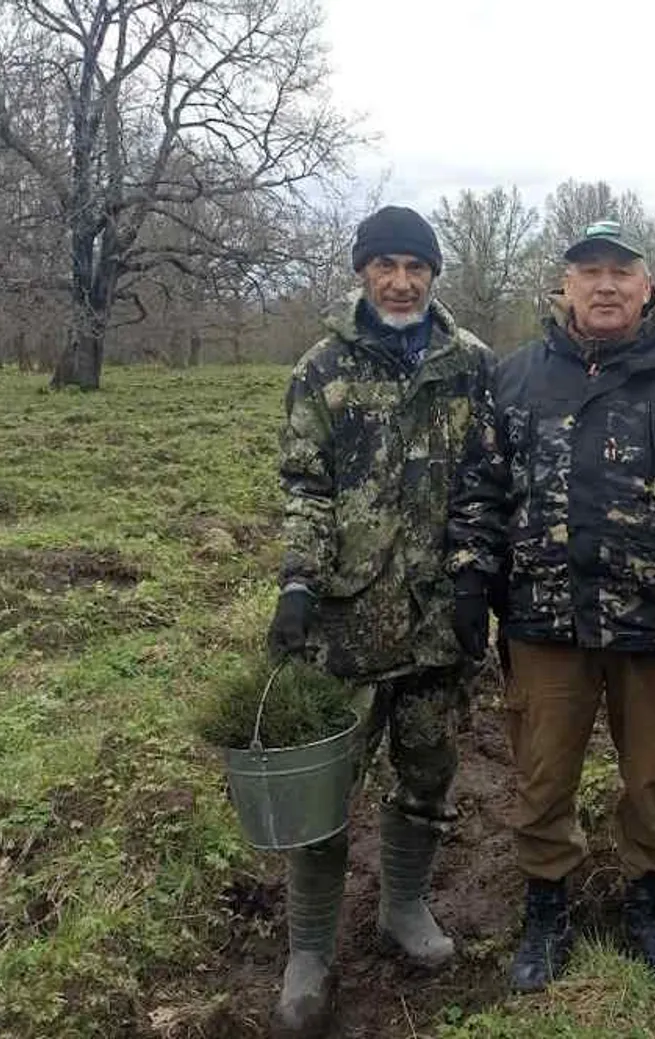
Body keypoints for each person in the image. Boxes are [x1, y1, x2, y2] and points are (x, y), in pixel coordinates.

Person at [445, 220, 655, 992]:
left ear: (648, 286)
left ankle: (649, 902)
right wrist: (471, 579)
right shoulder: (516, 377)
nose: (606, 284)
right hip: (544, 622)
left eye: (622, 271)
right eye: (590, 271)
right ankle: (547, 906)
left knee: (654, 777)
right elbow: (480, 489)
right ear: (566, 285)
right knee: (542, 775)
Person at [265, 205, 494, 1037]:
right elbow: (305, 487)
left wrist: (474, 579)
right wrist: (299, 584)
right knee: (322, 791)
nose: (401, 282)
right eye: (385, 266)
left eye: (415, 267)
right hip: (346, 625)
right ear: (362, 271)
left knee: (429, 771)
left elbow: (486, 484)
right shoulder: (321, 368)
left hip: (437, 623)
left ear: (434, 274)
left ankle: (404, 906)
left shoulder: (471, 366)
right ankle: (309, 952)